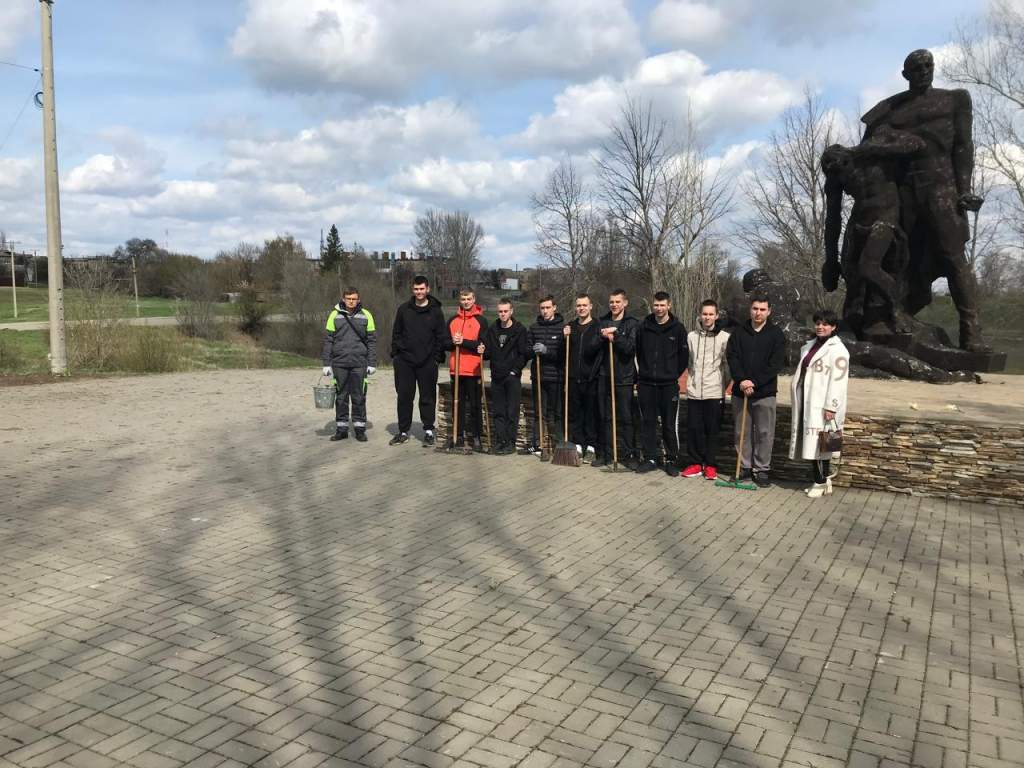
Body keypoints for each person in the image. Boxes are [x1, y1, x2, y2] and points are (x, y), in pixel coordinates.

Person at [861, 48, 986, 350]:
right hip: (904, 190)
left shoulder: (954, 100)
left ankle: (971, 332)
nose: (923, 71)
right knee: (901, 259)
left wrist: (964, 188)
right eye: (916, 68)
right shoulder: (890, 109)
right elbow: (867, 151)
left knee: (954, 257)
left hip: (942, 186)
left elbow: (963, 146)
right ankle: (891, 318)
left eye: (928, 65)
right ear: (905, 74)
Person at [725, 294, 786, 487]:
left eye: (762, 309)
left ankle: (761, 469)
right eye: (755, 308)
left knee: (764, 433)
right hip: (741, 392)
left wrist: (755, 382)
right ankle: (744, 467)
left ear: (769, 311)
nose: (758, 313)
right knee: (741, 432)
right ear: (750, 309)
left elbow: (775, 364)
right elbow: (732, 357)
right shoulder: (738, 333)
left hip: (765, 392)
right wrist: (742, 380)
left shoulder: (776, 334)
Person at [789, 309, 849, 497]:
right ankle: (823, 480)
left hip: (823, 404)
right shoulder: (810, 345)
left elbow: (839, 381)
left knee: (821, 443)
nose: (820, 327)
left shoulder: (838, 350)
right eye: (818, 323)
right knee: (816, 443)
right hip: (808, 399)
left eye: (825, 324)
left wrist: (832, 406)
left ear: (833, 327)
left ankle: (820, 482)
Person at [389, 275, 449, 446]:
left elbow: (441, 336)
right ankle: (403, 431)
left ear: (427, 289)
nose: (419, 292)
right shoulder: (404, 310)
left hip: (428, 362)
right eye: (416, 289)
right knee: (404, 397)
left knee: (427, 397)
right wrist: (397, 355)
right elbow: (396, 333)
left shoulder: (436, 311)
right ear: (412, 290)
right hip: (405, 362)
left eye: (422, 289)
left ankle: (429, 431)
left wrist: (436, 358)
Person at [635, 292, 687, 475]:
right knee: (647, 423)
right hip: (646, 384)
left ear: (669, 305)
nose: (659, 308)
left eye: (662, 305)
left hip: (668, 385)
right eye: (656, 305)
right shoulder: (644, 327)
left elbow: (683, 357)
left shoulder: (678, 329)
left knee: (669, 424)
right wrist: (646, 372)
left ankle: (671, 460)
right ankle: (650, 458)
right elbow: (639, 352)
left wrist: (670, 374)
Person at [589, 289, 640, 469]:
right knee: (605, 417)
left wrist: (616, 335)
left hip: (624, 377)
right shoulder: (602, 322)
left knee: (626, 418)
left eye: (618, 302)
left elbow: (630, 349)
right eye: (612, 302)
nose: (614, 305)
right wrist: (602, 337)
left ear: (625, 303)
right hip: (604, 375)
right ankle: (607, 454)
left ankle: (629, 455)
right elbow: (591, 347)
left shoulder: (632, 324)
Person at [681, 299, 730, 480]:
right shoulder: (691, 336)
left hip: (714, 391)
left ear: (716, 316)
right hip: (694, 391)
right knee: (694, 429)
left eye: (711, 314)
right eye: (704, 314)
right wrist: (691, 382)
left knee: (712, 430)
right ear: (700, 315)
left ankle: (710, 465)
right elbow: (688, 362)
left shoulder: (724, 337)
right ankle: (695, 463)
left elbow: (727, 365)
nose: (707, 317)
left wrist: (721, 384)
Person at [322, 287, 377, 442]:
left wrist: (372, 363)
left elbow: (372, 341)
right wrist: (326, 363)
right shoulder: (334, 315)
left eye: (354, 299)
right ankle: (342, 429)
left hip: (360, 364)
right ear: (343, 299)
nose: (351, 301)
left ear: (358, 299)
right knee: (341, 397)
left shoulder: (367, 315)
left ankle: (360, 430)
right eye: (348, 298)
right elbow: (328, 340)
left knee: (359, 397)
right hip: (339, 363)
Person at [479, 298, 531, 455]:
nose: (502, 314)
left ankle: (510, 443)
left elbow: (524, 353)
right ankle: (500, 441)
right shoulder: (493, 329)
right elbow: (488, 353)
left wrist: (515, 370)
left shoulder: (519, 330)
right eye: (500, 311)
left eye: (505, 311)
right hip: (496, 376)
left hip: (512, 377)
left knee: (511, 411)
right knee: (498, 411)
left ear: (511, 311)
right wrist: (482, 351)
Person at [523, 296, 565, 456]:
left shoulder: (562, 328)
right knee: (539, 412)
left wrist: (547, 351)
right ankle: (537, 444)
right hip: (539, 377)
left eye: (548, 307)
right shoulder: (534, 328)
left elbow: (563, 355)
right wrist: (532, 350)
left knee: (556, 413)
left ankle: (559, 445)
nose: (545, 311)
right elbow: (526, 351)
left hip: (556, 377)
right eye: (542, 308)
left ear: (554, 307)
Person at [562, 294, 601, 463]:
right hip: (573, 377)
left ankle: (591, 446)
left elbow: (600, 353)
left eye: (584, 305)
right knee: (575, 413)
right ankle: (578, 444)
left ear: (590, 306)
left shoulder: (597, 326)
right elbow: (563, 352)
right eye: (579, 305)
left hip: (591, 378)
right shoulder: (570, 327)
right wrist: (564, 338)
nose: (581, 308)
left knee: (591, 413)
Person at [447, 289, 485, 451]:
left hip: (473, 370)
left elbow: (482, 345)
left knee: (475, 405)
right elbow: (443, 343)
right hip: (456, 370)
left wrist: (463, 342)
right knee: (457, 404)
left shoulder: (481, 320)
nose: (466, 302)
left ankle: (476, 437)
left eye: (469, 299)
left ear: (474, 299)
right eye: (463, 299)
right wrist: (452, 341)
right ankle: (459, 435)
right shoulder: (452, 320)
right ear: (460, 300)